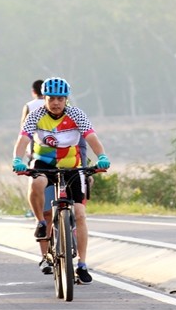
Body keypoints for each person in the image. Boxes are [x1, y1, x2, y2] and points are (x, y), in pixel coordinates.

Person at [12, 77, 111, 284]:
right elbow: (23, 140)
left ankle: (82, 264)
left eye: (60, 98)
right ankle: (40, 222)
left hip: (72, 165)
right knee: (36, 182)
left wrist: (101, 156)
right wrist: (17, 160)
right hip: (44, 163)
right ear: (44, 98)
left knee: (80, 214)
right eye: (51, 99)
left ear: (66, 99)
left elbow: (91, 137)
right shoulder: (36, 115)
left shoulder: (77, 114)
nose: (56, 103)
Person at [21, 80, 54, 275]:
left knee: (45, 212)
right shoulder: (38, 112)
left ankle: (45, 257)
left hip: (38, 159)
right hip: (45, 159)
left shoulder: (29, 106)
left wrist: (25, 156)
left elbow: (23, 131)